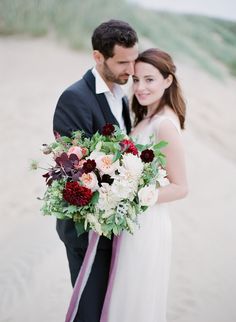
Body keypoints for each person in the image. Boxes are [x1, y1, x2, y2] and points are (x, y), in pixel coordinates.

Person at [53, 19, 138, 322]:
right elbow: (71, 170)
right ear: (98, 57)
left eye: (133, 60)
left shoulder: (122, 96)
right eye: (122, 62)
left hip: (113, 227)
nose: (131, 69)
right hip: (86, 230)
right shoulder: (75, 98)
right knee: (88, 312)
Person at [101, 48, 188, 322]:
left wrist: (133, 196)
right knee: (123, 297)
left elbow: (181, 186)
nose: (140, 87)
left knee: (134, 300)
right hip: (131, 220)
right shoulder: (144, 119)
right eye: (136, 80)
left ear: (168, 81)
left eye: (149, 80)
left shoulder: (164, 124)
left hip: (147, 224)